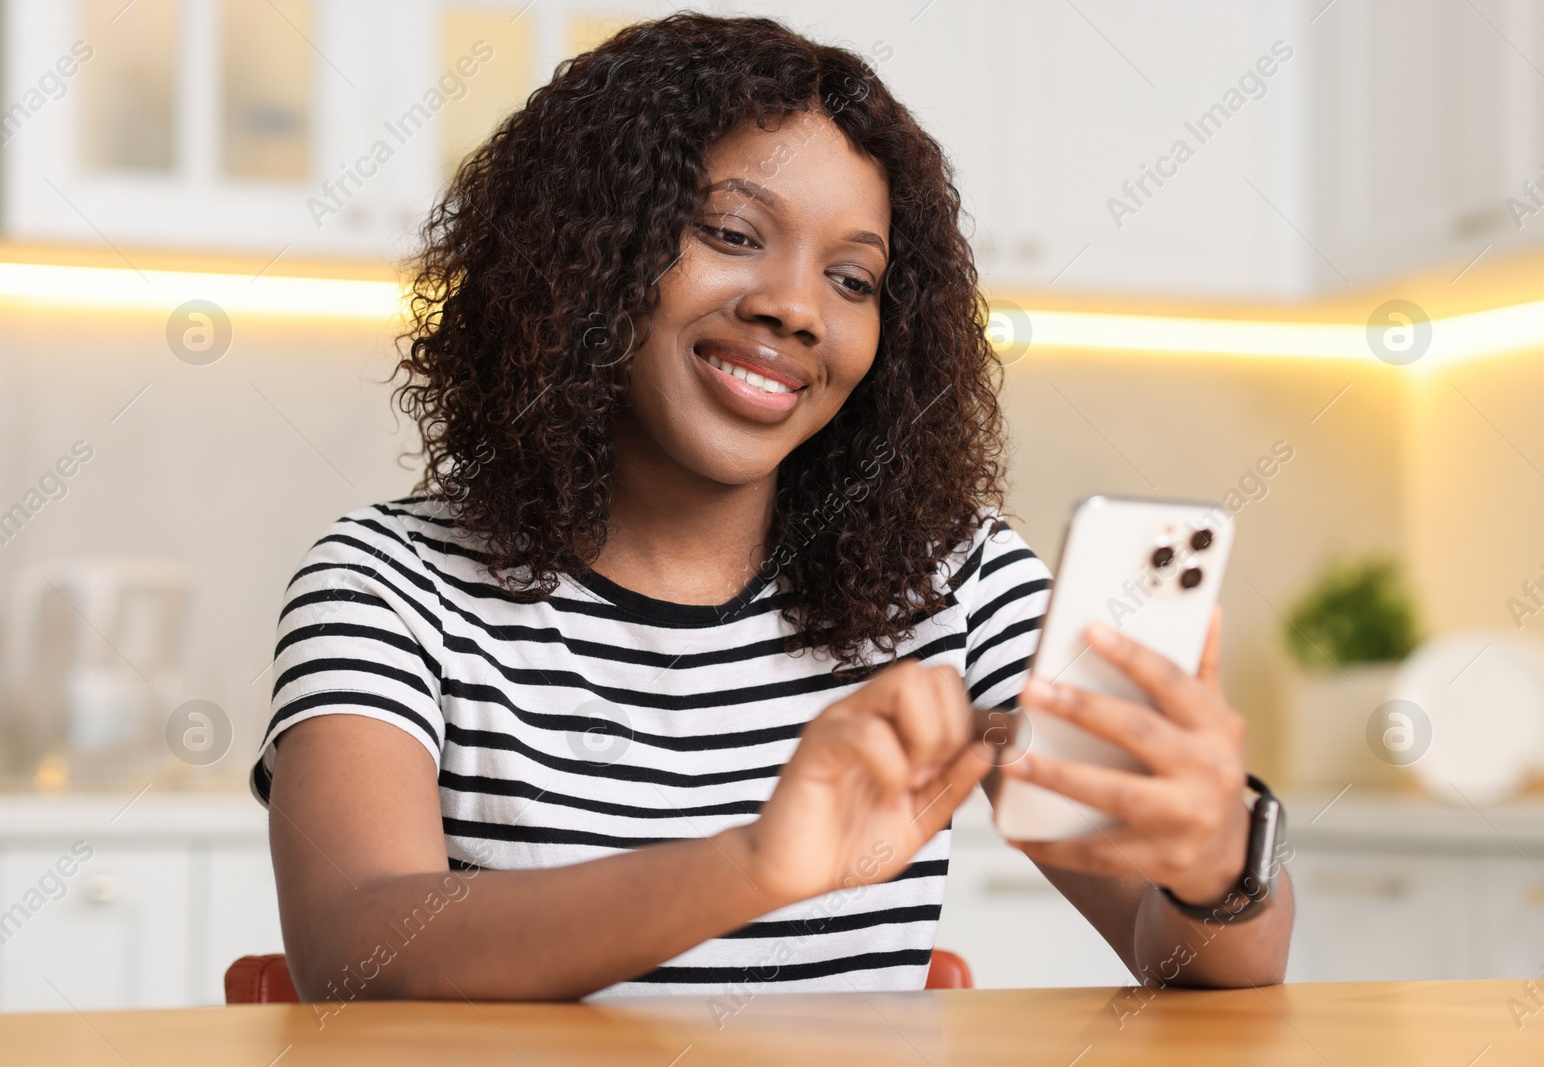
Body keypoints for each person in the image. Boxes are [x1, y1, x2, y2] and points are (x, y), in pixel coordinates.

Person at [254, 12, 1293, 1004]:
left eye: (851, 277)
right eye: (731, 231)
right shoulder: (388, 581)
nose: (795, 306)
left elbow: (1194, 957)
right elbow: (355, 944)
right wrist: (754, 864)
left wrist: (1214, 866)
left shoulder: (956, 577)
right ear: (585, 249)